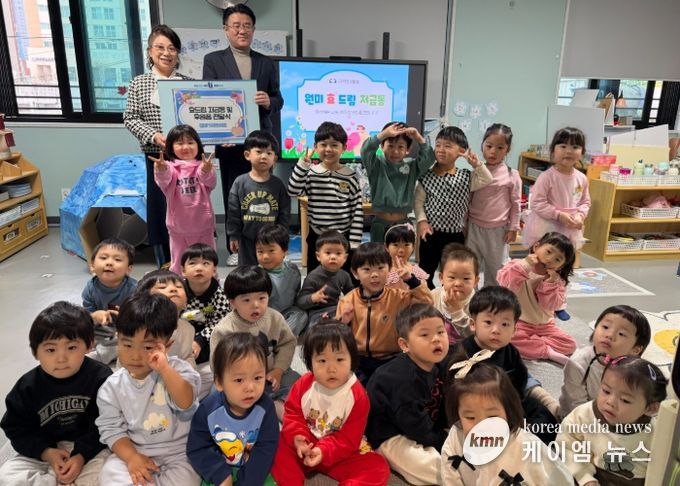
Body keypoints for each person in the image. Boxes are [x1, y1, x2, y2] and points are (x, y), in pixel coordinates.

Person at [203, 3, 283, 262]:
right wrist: (218, 135)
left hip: (260, 140)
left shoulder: (266, 63)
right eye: (236, 25)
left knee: (262, 192)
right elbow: (208, 99)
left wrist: (268, 101)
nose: (242, 30)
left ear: (254, 29)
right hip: (229, 142)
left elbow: (278, 99)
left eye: (247, 26)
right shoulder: (213, 60)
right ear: (225, 29)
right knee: (233, 193)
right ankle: (235, 248)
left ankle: (266, 245)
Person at [0, 302, 112, 486]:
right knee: (7, 476)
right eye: (50, 350)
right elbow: (16, 428)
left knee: (108, 473)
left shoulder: (101, 377)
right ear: (35, 352)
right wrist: (46, 453)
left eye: (71, 347)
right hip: (43, 449)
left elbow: (107, 422)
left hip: (89, 447)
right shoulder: (27, 387)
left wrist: (81, 456)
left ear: (89, 345)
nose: (61, 358)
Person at [95, 293, 201, 486]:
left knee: (190, 477)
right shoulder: (111, 387)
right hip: (136, 449)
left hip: (180, 451)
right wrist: (132, 457)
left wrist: (165, 370)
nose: (135, 356)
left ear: (168, 345)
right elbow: (112, 430)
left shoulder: (179, 371)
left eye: (148, 347)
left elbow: (186, 403)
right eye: (127, 344)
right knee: (109, 474)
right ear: (117, 339)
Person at [272, 321, 390, 485]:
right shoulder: (304, 384)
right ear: (310, 363)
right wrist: (299, 438)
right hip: (305, 445)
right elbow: (293, 414)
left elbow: (349, 438)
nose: (331, 369)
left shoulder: (358, 395)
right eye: (322, 361)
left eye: (339, 359)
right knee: (274, 443)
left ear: (352, 360)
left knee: (377, 468)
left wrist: (323, 451)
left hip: (339, 450)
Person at [448, 286, 559, 444]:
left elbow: (520, 382)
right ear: (473, 324)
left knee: (546, 419)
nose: (496, 330)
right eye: (488, 322)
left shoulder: (510, 351)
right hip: (477, 412)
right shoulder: (461, 354)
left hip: (507, 404)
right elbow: (452, 394)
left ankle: (521, 438)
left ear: (514, 329)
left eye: (505, 324)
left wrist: (515, 410)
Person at [123, 25, 191, 267]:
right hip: (156, 156)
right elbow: (130, 118)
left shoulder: (188, 83)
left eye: (172, 48)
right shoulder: (139, 83)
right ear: (150, 51)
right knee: (161, 209)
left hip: (185, 158)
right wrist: (153, 135)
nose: (166, 53)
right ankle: (166, 262)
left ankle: (190, 258)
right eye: (160, 47)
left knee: (189, 205)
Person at [441, 362, 573, 485]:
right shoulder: (456, 437)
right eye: (470, 417)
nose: (481, 427)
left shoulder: (523, 444)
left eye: (492, 417)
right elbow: (450, 474)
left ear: (508, 412)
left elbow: (554, 475)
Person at [366, 304, 449, 485]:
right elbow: (416, 427)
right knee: (428, 465)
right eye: (425, 335)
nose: (436, 339)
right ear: (405, 345)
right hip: (388, 434)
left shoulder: (437, 363)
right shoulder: (402, 379)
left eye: (441, 332)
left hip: (422, 422)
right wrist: (444, 442)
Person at [557, 356, 667, 485]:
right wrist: (584, 477)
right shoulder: (584, 415)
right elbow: (567, 445)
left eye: (625, 400)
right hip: (589, 477)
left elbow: (662, 470)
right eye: (606, 391)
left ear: (650, 408)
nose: (610, 402)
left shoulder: (657, 433)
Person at [187, 333, 278, 486]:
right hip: (219, 469)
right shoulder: (207, 410)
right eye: (239, 380)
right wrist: (220, 475)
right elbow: (197, 448)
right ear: (219, 382)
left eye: (257, 378)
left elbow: (266, 448)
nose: (250, 387)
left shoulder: (265, 408)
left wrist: (248, 482)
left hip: (255, 470)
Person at [210, 266, 299, 416]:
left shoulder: (274, 318)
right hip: (242, 381)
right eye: (246, 300)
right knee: (218, 395)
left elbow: (287, 343)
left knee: (301, 385)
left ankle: (275, 404)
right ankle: (257, 407)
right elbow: (217, 364)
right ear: (232, 302)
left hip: (272, 374)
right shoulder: (224, 330)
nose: (256, 305)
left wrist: (278, 370)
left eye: (262, 298)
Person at [337, 242, 432, 383]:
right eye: (367, 269)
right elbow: (337, 337)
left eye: (381, 268)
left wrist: (410, 280)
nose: (375, 275)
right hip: (357, 360)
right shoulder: (348, 300)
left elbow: (427, 302)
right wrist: (343, 322)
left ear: (389, 269)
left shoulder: (398, 297)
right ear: (355, 273)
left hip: (390, 359)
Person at [522, 126, 591, 321]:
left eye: (575, 147)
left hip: (570, 230)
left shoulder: (582, 178)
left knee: (563, 267)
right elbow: (537, 203)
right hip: (547, 229)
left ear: (582, 152)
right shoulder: (547, 177)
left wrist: (581, 215)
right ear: (553, 150)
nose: (569, 151)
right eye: (563, 146)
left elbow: (585, 202)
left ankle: (558, 302)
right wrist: (559, 215)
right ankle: (532, 298)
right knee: (540, 265)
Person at [415, 126, 493, 288]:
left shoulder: (465, 176)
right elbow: (418, 202)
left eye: (448, 146)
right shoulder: (426, 177)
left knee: (453, 270)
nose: (441, 150)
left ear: (461, 151)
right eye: (438, 145)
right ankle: (425, 294)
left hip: (455, 235)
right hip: (431, 232)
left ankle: (448, 296)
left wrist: (476, 164)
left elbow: (487, 179)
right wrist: (422, 222)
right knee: (425, 269)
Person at [287, 121, 364, 273]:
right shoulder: (310, 173)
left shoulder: (350, 175)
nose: (328, 149)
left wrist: (354, 243)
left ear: (344, 148)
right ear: (315, 147)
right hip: (317, 236)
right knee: (315, 277)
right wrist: (302, 165)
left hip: (343, 237)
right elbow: (293, 191)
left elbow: (357, 210)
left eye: (334, 145)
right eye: (323, 144)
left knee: (345, 278)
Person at [497, 231, 577, 365]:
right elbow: (506, 285)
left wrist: (550, 283)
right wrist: (525, 265)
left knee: (570, 344)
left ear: (561, 266)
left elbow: (551, 305)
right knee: (507, 338)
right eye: (548, 252)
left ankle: (533, 345)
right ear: (536, 247)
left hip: (545, 325)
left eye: (557, 259)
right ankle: (547, 351)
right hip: (519, 323)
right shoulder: (517, 265)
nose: (550, 259)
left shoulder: (557, 280)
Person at [559, 305, 651, 418]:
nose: (610, 335)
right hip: (579, 419)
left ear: (635, 350)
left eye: (621, 334)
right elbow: (578, 408)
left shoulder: (634, 370)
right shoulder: (578, 364)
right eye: (606, 327)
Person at [152, 124, 216, 275]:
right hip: (178, 228)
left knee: (207, 261)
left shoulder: (203, 166)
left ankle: (211, 285)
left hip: (204, 226)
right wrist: (161, 169)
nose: (185, 147)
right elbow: (164, 180)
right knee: (179, 264)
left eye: (190, 142)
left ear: (198, 145)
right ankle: (179, 286)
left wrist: (206, 170)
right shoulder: (170, 167)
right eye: (180, 143)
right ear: (171, 147)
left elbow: (210, 182)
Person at [466, 123, 521, 287]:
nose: (493, 151)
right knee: (470, 268)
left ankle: (492, 298)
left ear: (507, 150)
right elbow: (468, 198)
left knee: (496, 271)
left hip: (498, 231)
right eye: (489, 146)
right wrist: (464, 223)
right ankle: (470, 298)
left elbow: (516, 204)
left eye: (500, 147)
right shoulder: (476, 172)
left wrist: (513, 227)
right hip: (474, 228)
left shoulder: (512, 174)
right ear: (482, 145)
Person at [360, 122, 435, 242]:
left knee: (403, 253)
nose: (395, 151)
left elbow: (429, 158)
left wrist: (419, 138)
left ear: (408, 149)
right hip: (380, 224)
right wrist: (384, 134)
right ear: (382, 146)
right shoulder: (376, 164)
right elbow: (366, 150)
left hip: (403, 224)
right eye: (390, 146)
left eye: (400, 147)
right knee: (378, 254)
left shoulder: (411, 166)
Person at [227, 130, 290, 266]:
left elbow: (284, 213)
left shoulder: (278, 184)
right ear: (247, 155)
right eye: (259, 152)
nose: (264, 156)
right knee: (248, 273)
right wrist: (233, 235)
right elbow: (233, 212)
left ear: (274, 159)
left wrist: (282, 237)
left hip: (271, 241)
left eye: (269, 153)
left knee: (271, 271)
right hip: (247, 240)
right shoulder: (240, 182)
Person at [82, 237, 137, 365]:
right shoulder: (90, 288)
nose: (109, 263)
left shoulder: (134, 289)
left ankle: (97, 358)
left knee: (123, 344)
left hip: (125, 331)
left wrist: (126, 321)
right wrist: (95, 316)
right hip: (100, 328)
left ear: (128, 269)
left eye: (117, 259)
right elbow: (87, 317)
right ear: (92, 266)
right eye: (103, 258)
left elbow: (141, 317)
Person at [135, 270, 197, 370]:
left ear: (186, 302)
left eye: (179, 287)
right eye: (162, 287)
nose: (173, 289)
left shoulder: (188, 329)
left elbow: (187, 358)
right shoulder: (139, 328)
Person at [180, 244, 231, 366]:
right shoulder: (179, 291)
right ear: (183, 271)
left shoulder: (220, 295)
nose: (199, 268)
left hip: (207, 333)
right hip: (183, 329)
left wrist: (199, 340)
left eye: (205, 263)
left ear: (214, 271)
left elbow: (219, 322)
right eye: (192, 263)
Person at [255, 224, 308, 335]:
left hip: (286, 313)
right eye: (260, 251)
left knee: (301, 315)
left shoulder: (293, 270)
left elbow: (296, 296)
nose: (265, 256)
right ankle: (274, 337)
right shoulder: (256, 275)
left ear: (285, 251)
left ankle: (281, 337)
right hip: (265, 316)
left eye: (271, 250)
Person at [296, 230, 354, 328]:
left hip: (337, 309)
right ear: (318, 256)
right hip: (317, 313)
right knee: (317, 328)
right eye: (328, 253)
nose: (333, 257)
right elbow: (300, 301)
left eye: (338, 253)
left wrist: (348, 304)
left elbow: (352, 294)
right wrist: (313, 298)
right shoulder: (313, 277)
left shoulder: (344, 275)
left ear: (345, 258)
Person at [431, 243, 479, 344]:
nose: (458, 283)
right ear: (441, 278)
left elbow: (476, 336)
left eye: (466, 278)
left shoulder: (478, 302)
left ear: (475, 281)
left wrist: (457, 311)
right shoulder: (433, 296)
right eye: (452, 277)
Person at [383, 223, 429, 291]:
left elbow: (424, 293)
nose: (401, 250)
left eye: (406, 245)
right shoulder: (382, 270)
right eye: (396, 245)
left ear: (413, 247)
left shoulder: (417, 271)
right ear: (386, 247)